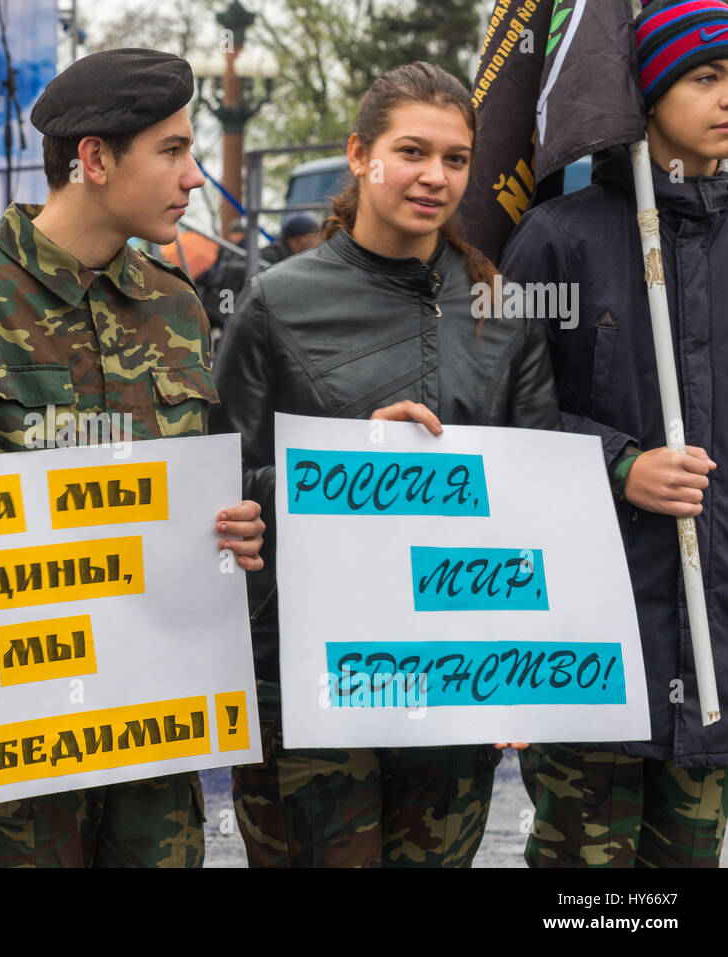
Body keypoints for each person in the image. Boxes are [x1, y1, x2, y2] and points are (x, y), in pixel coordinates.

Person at [0, 47, 265, 868]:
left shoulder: (179, 306)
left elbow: (191, 492)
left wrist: (236, 528)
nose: (193, 178)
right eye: (173, 151)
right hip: (19, 742)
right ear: (94, 159)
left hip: (156, 724)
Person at [213, 61, 560, 867]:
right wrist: (347, 466)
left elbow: (539, 502)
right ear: (360, 154)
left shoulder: (501, 309)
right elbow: (220, 482)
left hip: (452, 673)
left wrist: (525, 672)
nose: (434, 177)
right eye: (411, 151)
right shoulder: (276, 301)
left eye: (455, 158)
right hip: (301, 677)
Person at [500, 0, 728, 868]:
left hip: (716, 651)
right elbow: (496, 418)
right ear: (646, 92)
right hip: (590, 640)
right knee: (585, 886)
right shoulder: (556, 239)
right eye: (704, 76)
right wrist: (619, 465)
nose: (725, 96)